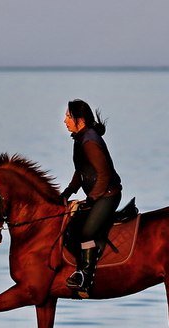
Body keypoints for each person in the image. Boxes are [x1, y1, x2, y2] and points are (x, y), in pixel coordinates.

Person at [60, 99, 122, 294]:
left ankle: (85, 278)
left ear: (80, 120)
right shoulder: (80, 138)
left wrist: (92, 199)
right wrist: (67, 193)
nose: (64, 120)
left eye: (68, 116)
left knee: (87, 232)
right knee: (71, 227)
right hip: (98, 196)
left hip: (108, 195)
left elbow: (103, 174)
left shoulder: (89, 141)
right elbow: (81, 172)